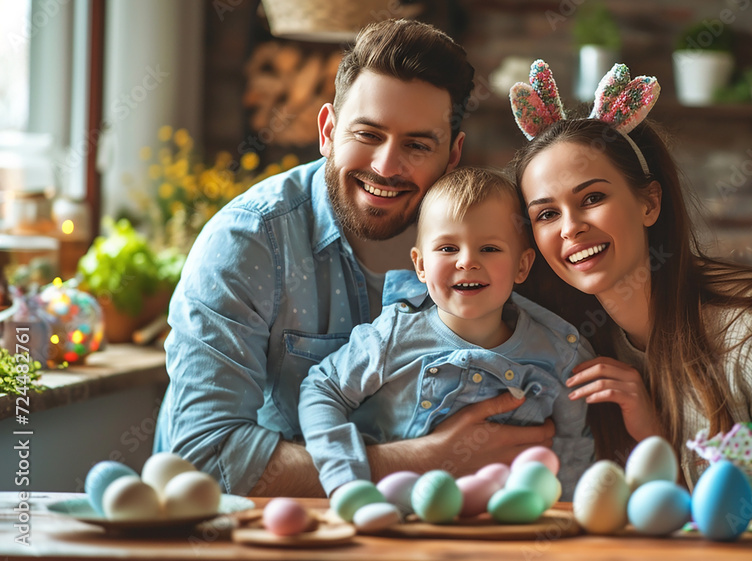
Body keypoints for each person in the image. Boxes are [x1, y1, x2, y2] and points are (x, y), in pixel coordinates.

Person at [153, 21, 556, 498]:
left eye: (417, 145)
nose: (386, 167)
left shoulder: (495, 239)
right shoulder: (248, 242)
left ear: (452, 156)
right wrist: (427, 462)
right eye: (368, 134)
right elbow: (203, 457)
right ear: (328, 130)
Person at [509, 61, 752, 488]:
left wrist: (657, 440)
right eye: (547, 213)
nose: (570, 228)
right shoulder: (569, 349)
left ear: (649, 203)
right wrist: (653, 436)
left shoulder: (750, 332)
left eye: (592, 197)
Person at [299, 168, 594, 497]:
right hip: (397, 516)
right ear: (421, 265)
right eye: (448, 248)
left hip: (507, 530)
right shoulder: (390, 338)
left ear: (522, 266)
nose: (467, 261)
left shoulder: (560, 353)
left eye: (490, 249)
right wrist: (345, 481)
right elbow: (321, 391)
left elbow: (573, 449)